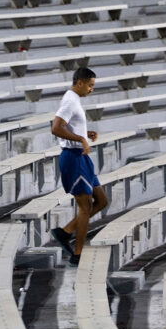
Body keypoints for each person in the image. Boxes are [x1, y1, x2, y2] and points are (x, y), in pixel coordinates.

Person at [50, 67, 108, 267]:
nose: (92, 90)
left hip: (81, 157)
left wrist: (84, 133)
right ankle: (78, 253)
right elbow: (56, 127)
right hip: (73, 157)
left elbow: (69, 126)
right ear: (80, 82)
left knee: (101, 200)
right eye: (90, 85)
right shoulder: (69, 100)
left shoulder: (74, 100)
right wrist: (80, 138)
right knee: (85, 206)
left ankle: (65, 232)